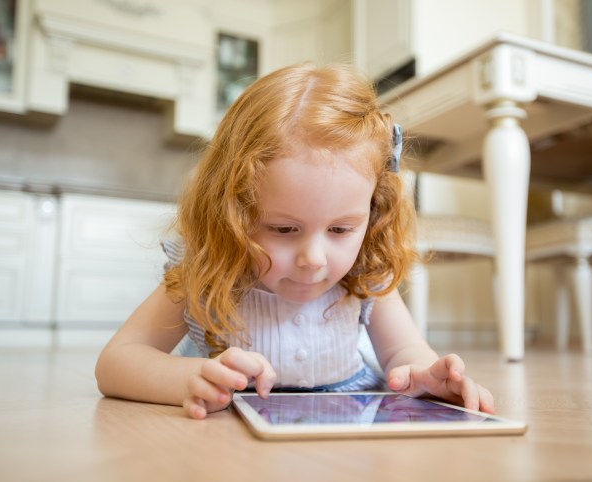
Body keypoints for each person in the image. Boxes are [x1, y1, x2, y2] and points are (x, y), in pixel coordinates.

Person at [95, 62, 495, 420]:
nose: (314, 258)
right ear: (233, 211)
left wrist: (425, 377)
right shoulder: (204, 271)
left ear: (371, 212)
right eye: (284, 230)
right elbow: (117, 362)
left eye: (340, 230)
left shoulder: (364, 271)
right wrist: (188, 377)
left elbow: (404, 354)